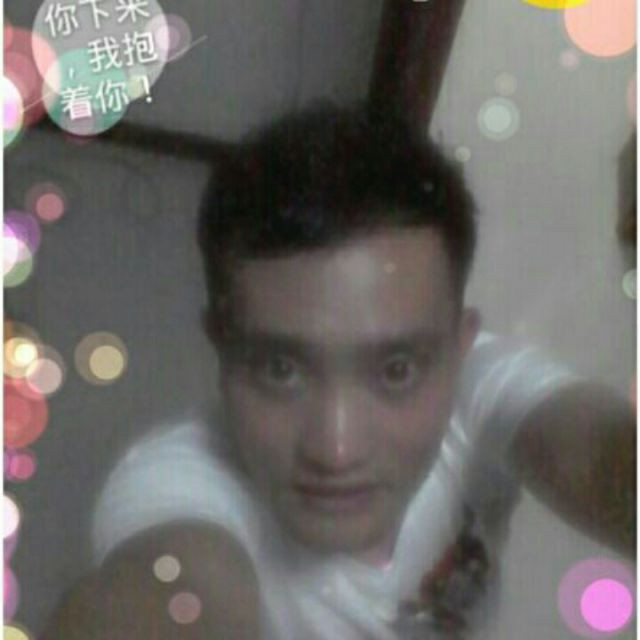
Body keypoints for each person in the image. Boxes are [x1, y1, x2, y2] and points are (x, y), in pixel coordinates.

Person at [42, 105, 635, 640]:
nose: (336, 449)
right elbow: (173, 591)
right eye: (280, 369)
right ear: (221, 348)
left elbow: (599, 458)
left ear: (460, 349)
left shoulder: (484, 395)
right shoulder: (178, 487)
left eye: (396, 370)